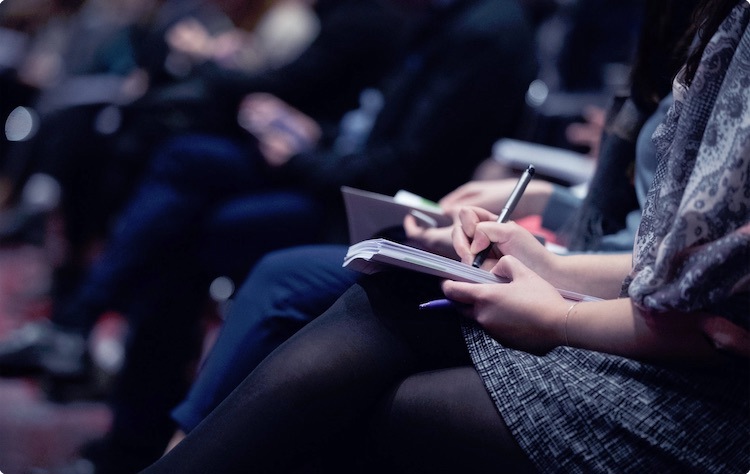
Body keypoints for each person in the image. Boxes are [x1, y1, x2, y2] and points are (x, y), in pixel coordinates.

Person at [141, 0, 750, 472]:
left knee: (366, 390)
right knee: (368, 291)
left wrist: (559, 311)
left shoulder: (485, 27)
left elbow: (712, 312)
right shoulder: (705, 23)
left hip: (711, 402)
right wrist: (550, 263)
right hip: (631, 297)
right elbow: (672, 263)